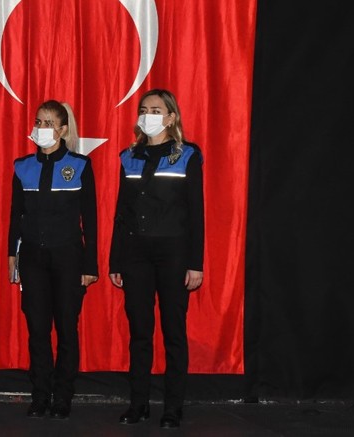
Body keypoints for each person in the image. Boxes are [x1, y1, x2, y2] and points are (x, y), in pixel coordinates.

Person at [109, 89, 203, 429]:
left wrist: (195, 262)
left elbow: (196, 213)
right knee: (140, 332)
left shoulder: (187, 155)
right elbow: (121, 213)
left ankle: (173, 407)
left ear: (171, 117)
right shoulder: (129, 156)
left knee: (173, 331)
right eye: (144, 109)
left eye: (156, 110)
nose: (148, 115)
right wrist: (115, 261)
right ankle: (139, 404)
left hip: (173, 253)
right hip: (136, 254)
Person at [7, 100, 98, 420]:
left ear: (62, 129)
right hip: (33, 257)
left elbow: (90, 219)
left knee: (67, 328)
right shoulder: (22, 166)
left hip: (68, 257)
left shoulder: (80, 165)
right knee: (37, 329)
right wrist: (12, 255)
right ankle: (40, 395)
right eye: (38, 122)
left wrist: (90, 265)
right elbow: (15, 216)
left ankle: (63, 396)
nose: (41, 128)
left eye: (48, 123)